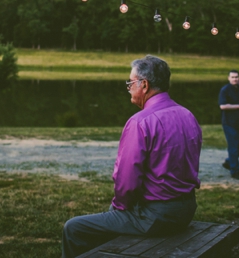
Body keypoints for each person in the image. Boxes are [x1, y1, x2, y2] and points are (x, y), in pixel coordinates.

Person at [62, 55, 202, 258]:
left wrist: (119, 208)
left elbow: (126, 182)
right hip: (186, 210)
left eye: (131, 83)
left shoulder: (140, 122)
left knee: (73, 228)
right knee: (109, 221)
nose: (129, 88)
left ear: (144, 85)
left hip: (155, 217)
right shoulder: (188, 115)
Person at [219, 70, 239, 180]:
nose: (235, 79)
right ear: (228, 78)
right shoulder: (225, 90)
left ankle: (229, 162)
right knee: (234, 147)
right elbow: (222, 106)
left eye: (236, 77)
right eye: (232, 77)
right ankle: (235, 171)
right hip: (229, 123)